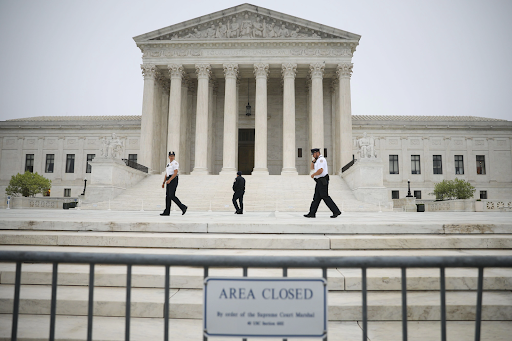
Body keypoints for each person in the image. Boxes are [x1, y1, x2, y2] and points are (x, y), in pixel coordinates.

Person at [304, 148, 341, 218]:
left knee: (325, 197)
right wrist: (313, 161)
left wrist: (313, 174)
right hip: (319, 181)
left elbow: (320, 170)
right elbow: (312, 168)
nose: (313, 156)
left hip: (322, 180)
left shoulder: (321, 160)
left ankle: (336, 211)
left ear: (317, 153)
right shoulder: (317, 160)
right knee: (316, 198)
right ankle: (312, 213)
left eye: (313, 154)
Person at [160, 151, 187, 216]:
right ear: (168, 157)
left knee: (171, 195)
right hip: (169, 179)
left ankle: (183, 207)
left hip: (173, 179)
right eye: (170, 156)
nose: (171, 157)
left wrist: (170, 180)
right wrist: (163, 182)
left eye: (172, 156)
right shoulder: (168, 164)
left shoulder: (175, 163)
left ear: (174, 157)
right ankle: (167, 211)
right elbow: (166, 174)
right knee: (167, 196)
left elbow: (175, 172)